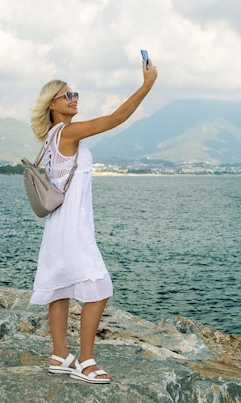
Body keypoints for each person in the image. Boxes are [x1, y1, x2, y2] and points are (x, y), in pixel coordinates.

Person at [29, 57, 157, 384]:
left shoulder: (56, 136)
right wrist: (147, 84)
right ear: (53, 105)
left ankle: (60, 354)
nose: (74, 99)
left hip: (59, 226)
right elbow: (116, 118)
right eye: (67, 96)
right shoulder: (68, 133)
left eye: (75, 94)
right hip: (72, 229)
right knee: (99, 287)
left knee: (60, 289)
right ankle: (85, 360)